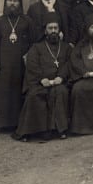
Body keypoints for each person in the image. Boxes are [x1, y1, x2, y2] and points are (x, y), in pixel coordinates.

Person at [14, 12, 72, 141]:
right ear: (45, 31)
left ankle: (59, 130)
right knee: (35, 95)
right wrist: (42, 79)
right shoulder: (36, 47)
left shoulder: (67, 47)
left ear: (59, 30)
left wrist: (61, 77)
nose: (53, 31)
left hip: (59, 82)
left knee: (61, 92)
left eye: (55, 28)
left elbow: (69, 64)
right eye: (50, 28)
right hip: (39, 82)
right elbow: (32, 65)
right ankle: (36, 131)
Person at [0, 0, 34, 129]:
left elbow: (33, 42)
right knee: (3, 93)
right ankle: (2, 123)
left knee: (18, 93)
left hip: (21, 65)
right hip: (3, 65)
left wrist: (29, 56)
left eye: (15, 1)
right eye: (10, 0)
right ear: (5, 3)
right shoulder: (0, 21)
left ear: (20, 3)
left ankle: (18, 122)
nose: (12, 4)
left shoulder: (27, 21)